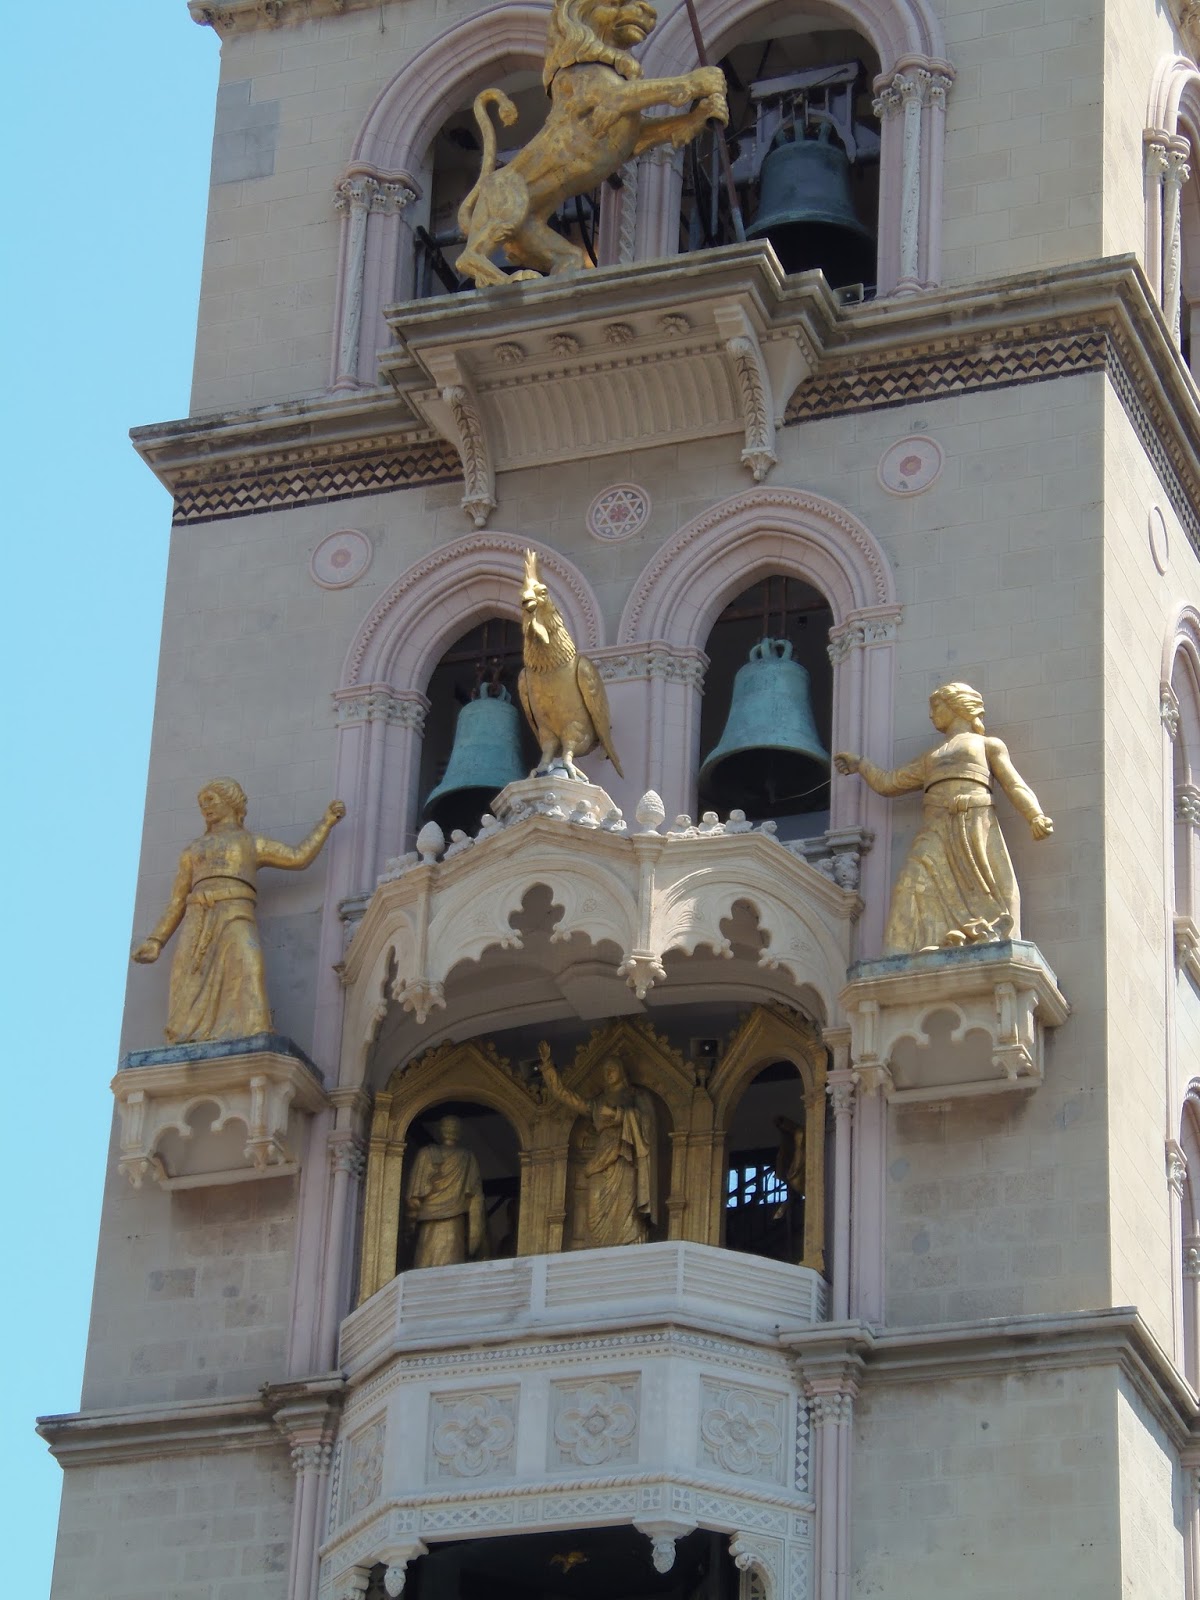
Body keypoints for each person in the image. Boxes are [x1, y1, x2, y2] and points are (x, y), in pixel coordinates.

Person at [833, 682, 1053, 955]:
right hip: (935, 828)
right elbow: (890, 783)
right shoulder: (931, 757)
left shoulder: (987, 745)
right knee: (910, 883)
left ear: (957, 706)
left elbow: (1014, 784)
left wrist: (1034, 815)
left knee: (993, 885)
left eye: (936, 706)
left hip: (975, 823)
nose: (931, 715)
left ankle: (991, 936)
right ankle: (900, 953)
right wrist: (861, 764)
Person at [132, 778, 345, 1042]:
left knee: (249, 966)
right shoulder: (193, 850)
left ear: (231, 800)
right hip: (198, 919)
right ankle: (188, 1036)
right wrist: (156, 941)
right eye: (201, 804)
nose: (205, 807)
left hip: (235, 914)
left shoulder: (250, 842)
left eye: (211, 800)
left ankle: (254, 1031)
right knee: (189, 978)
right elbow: (177, 901)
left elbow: (297, 857)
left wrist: (326, 823)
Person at [538, 1042, 657, 1248]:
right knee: (593, 1208)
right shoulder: (597, 1102)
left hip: (625, 1157)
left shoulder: (635, 1095)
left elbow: (648, 1122)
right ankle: (597, 1252)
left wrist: (618, 1115)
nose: (608, 1073)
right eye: (605, 1070)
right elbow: (567, 1097)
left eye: (612, 1069)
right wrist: (548, 1067)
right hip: (602, 1156)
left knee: (626, 1211)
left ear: (621, 1071)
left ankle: (630, 1250)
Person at [403, 1116, 487, 1268]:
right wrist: (476, 1235)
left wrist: (410, 1226)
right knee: (448, 1267)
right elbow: (476, 1198)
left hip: (432, 1221)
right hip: (452, 1223)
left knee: (426, 1267)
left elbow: (413, 1199)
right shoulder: (466, 1157)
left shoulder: (427, 1154)